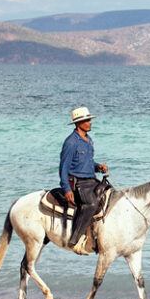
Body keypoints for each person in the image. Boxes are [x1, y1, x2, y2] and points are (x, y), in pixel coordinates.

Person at [59, 107, 109, 250]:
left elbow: (86, 162)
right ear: (78, 124)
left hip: (91, 180)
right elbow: (63, 168)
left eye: (89, 120)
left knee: (111, 194)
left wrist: (98, 167)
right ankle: (74, 240)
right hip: (78, 183)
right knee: (91, 205)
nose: (90, 123)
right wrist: (67, 189)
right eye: (86, 121)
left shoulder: (88, 140)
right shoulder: (71, 142)